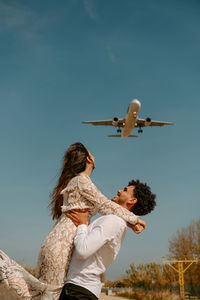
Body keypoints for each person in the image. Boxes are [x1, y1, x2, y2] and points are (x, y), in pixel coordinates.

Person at [0, 143, 146, 299]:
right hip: (61, 246)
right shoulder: (81, 181)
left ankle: (5, 270)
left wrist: (130, 222)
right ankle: (4, 267)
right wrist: (134, 219)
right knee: (48, 296)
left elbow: (105, 206)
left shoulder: (79, 182)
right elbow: (104, 204)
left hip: (58, 243)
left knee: (42, 294)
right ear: (89, 160)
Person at [59, 179, 156, 300]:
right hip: (78, 289)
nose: (119, 190)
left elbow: (83, 250)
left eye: (125, 190)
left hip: (79, 291)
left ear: (132, 200)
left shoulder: (113, 221)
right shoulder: (117, 222)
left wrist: (82, 224)